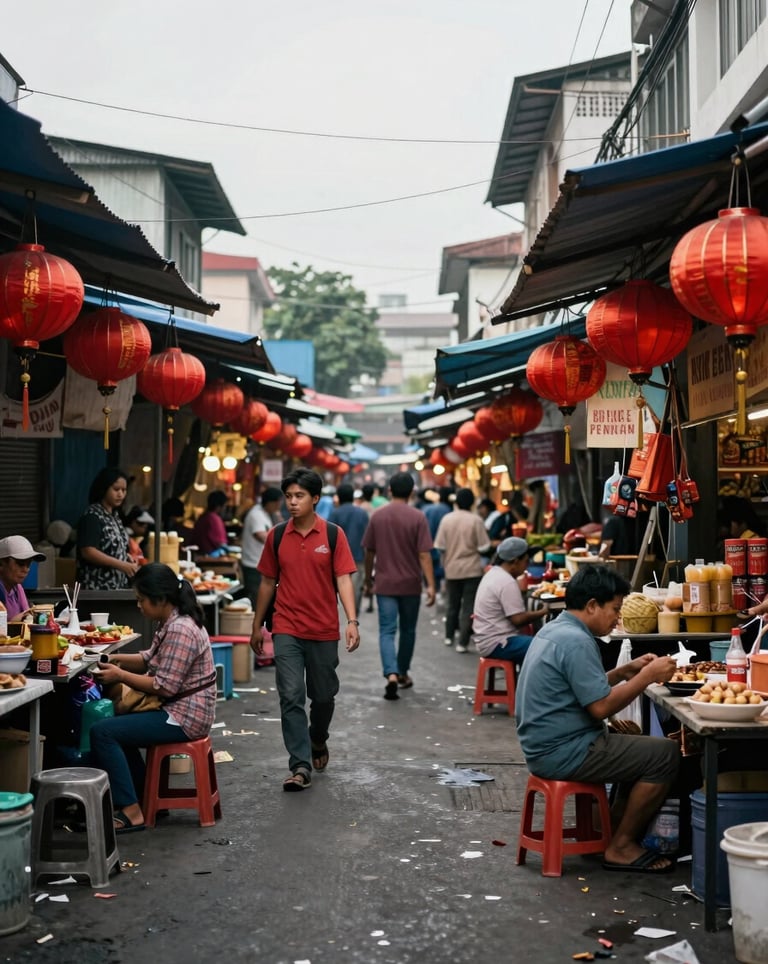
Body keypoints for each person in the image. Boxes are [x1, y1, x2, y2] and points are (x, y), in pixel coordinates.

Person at [515, 565, 680, 873]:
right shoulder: (576, 641)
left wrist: (621, 673)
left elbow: (579, 688)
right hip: (564, 751)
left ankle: (610, 832)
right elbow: (601, 707)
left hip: (545, 745)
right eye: (614, 610)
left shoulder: (556, 629)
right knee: (665, 755)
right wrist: (646, 676)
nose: (617, 619)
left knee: (641, 746)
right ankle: (620, 846)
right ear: (592, 605)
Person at [248, 468, 360, 792]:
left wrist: (351, 621)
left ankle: (318, 738)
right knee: (291, 694)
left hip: (324, 629)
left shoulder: (333, 535)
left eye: (299, 496)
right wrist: (257, 626)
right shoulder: (277, 536)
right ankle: (299, 765)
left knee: (323, 696)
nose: (292, 502)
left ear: (316, 499)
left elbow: (343, 580)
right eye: (289, 496)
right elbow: (267, 582)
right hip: (287, 627)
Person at [89, 563, 217, 832]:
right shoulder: (172, 620)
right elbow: (148, 659)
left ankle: (131, 811)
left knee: (103, 732)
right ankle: (146, 802)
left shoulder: (181, 629)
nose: (138, 606)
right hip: (180, 709)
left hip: (185, 716)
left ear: (160, 599)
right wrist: (112, 659)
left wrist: (119, 675)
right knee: (117, 725)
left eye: (141, 600)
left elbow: (164, 687)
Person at [362, 472, 435, 698]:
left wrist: (367, 579)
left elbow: (369, 551)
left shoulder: (377, 516)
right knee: (408, 630)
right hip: (411, 584)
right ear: (412, 491)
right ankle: (402, 672)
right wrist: (431, 585)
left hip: (385, 584)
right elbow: (424, 554)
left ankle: (391, 673)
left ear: (389, 491)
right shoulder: (418, 517)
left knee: (386, 630)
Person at [472, 537, 548, 663]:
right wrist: (544, 611)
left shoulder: (494, 573)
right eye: (525, 562)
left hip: (487, 639)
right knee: (546, 647)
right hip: (498, 643)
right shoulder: (506, 581)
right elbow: (518, 620)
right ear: (515, 562)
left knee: (541, 643)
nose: (526, 567)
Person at [433, 487, 491, 653]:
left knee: (453, 604)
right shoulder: (476, 520)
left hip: (452, 569)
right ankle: (463, 642)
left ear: (456, 501)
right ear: (472, 503)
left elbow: (439, 546)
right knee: (468, 607)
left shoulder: (447, 519)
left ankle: (449, 636)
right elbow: (484, 546)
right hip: (472, 570)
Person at [77, 467, 139, 590]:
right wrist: (121, 565)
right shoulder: (92, 516)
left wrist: (126, 556)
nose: (120, 494)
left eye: (124, 490)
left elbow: (111, 546)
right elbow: (88, 551)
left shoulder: (115, 515)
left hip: (117, 587)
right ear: (104, 488)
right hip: (97, 589)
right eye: (116, 489)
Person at [240, 487, 283, 607]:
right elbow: (261, 535)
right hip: (253, 565)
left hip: (260, 564)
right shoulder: (256, 515)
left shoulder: (265, 513)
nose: (278, 507)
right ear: (270, 502)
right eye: (277, 503)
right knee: (257, 599)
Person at [329, 483, 369, 611]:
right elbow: (366, 537)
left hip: (337, 559)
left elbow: (329, 537)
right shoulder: (362, 513)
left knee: (339, 585)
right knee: (356, 588)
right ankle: (353, 613)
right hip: (357, 556)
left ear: (339, 497)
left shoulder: (334, 513)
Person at [0, 535, 46, 620]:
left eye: (29, 564)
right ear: (1, 564)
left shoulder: (17, 588)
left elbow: (28, 614)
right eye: (20, 563)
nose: (26, 569)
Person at [423, 486, 453, 595]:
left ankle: (431, 588)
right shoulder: (448, 511)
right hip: (443, 547)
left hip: (427, 545)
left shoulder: (427, 509)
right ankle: (438, 590)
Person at [192, 490, 229, 555]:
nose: (225, 509)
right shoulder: (215, 519)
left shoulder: (202, 517)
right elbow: (221, 543)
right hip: (210, 557)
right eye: (224, 506)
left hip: (199, 554)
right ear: (218, 506)